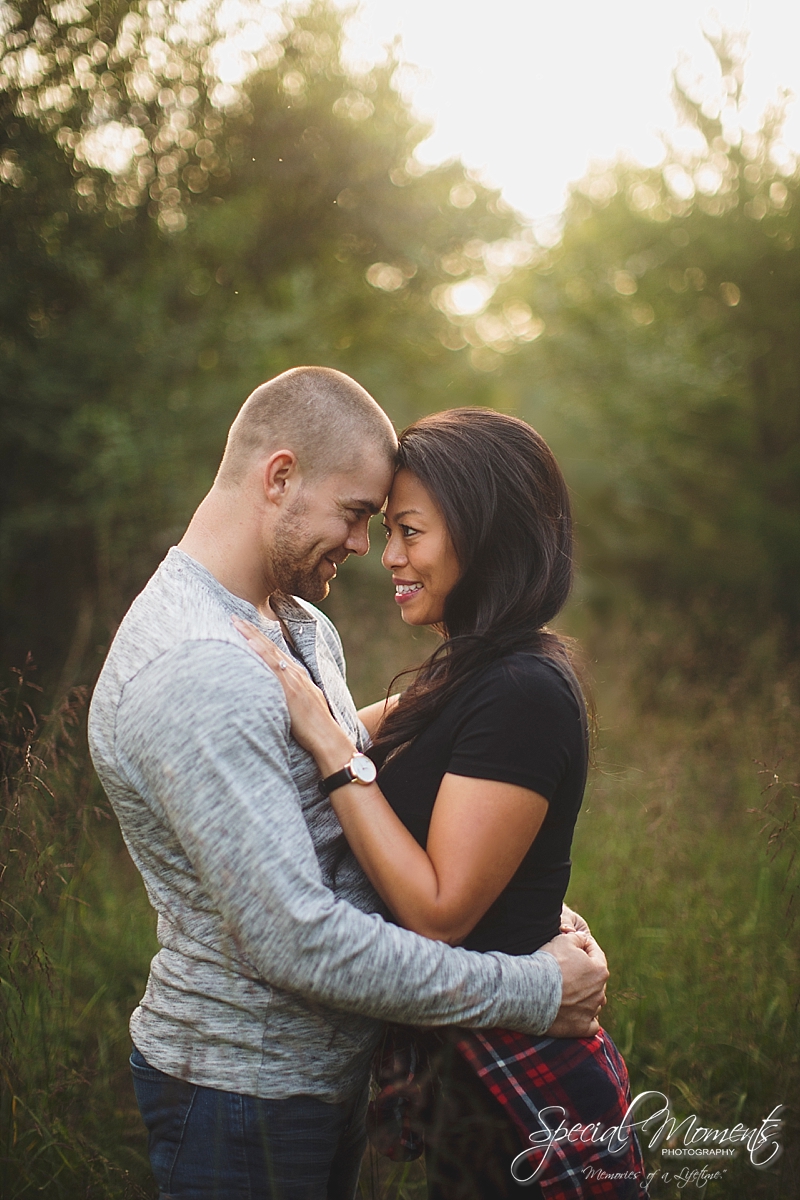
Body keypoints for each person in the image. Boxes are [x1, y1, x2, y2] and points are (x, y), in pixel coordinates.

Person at [88, 368, 608, 1200]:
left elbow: (307, 750)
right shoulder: (195, 670)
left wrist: (524, 895)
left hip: (318, 1081)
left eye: (392, 523)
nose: (369, 547)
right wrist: (534, 987)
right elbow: (297, 940)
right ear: (280, 476)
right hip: (242, 1092)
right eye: (359, 515)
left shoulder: (296, 621)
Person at [236, 406, 646, 1198]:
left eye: (410, 532)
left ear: (482, 533)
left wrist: (329, 748)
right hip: (471, 1071)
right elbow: (323, 742)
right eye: (387, 530)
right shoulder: (462, 674)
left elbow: (438, 910)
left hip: (527, 1088)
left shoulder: (523, 688)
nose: (387, 556)